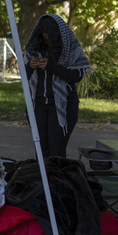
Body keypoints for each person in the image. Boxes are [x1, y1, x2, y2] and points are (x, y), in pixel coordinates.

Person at [24, 14, 90, 158]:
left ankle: (55, 179)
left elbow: (77, 76)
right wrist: (30, 66)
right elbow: (24, 77)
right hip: (38, 103)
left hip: (62, 104)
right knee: (41, 151)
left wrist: (52, 67)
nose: (45, 38)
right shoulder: (34, 48)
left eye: (49, 36)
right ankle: (43, 180)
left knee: (56, 151)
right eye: (43, 35)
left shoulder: (69, 49)